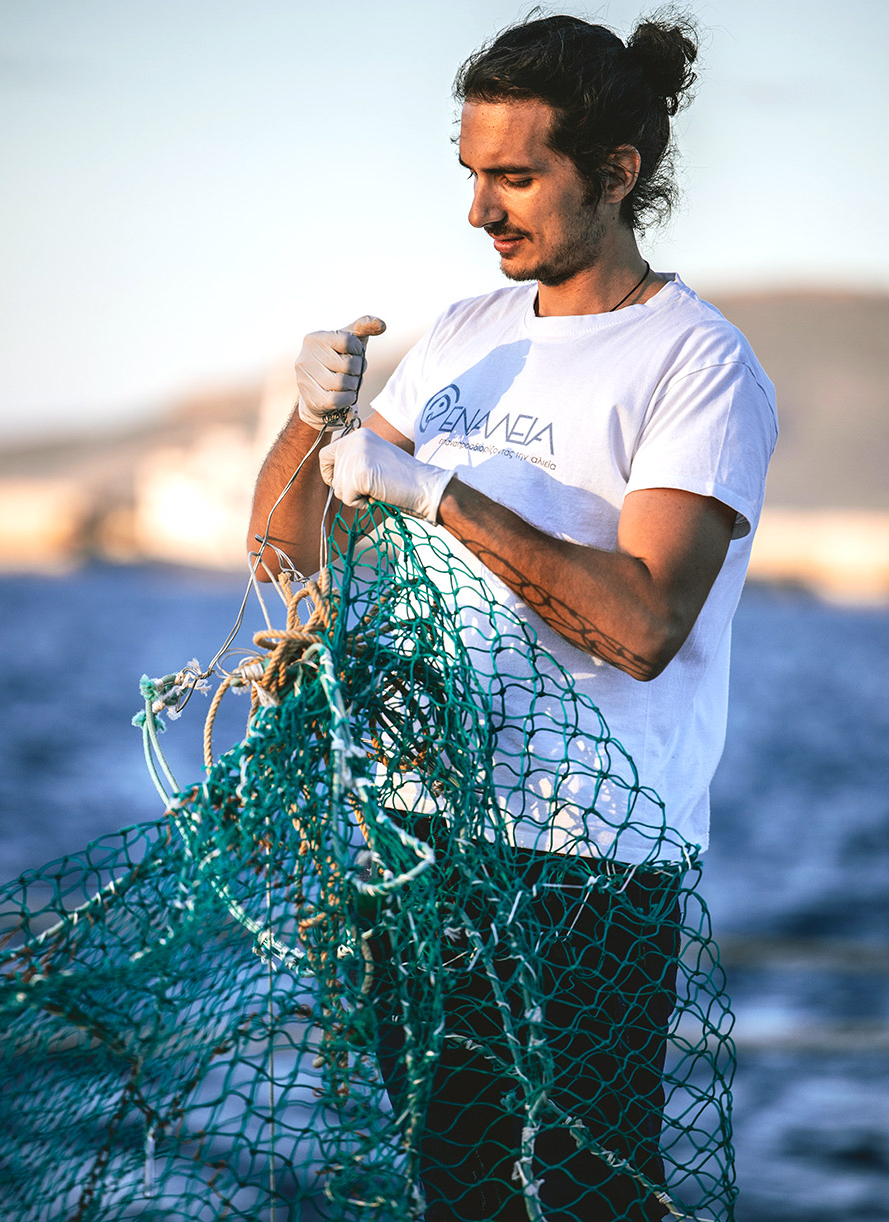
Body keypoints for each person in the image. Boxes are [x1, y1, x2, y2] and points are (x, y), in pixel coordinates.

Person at [247, 12, 777, 1220]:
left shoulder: (698, 365)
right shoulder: (468, 333)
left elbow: (645, 626)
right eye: (473, 175)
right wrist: (310, 418)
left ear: (618, 174)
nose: (481, 212)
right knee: (454, 1184)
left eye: (517, 178)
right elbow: (286, 546)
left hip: (589, 861)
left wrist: (438, 492)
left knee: (596, 1189)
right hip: (424, 828)